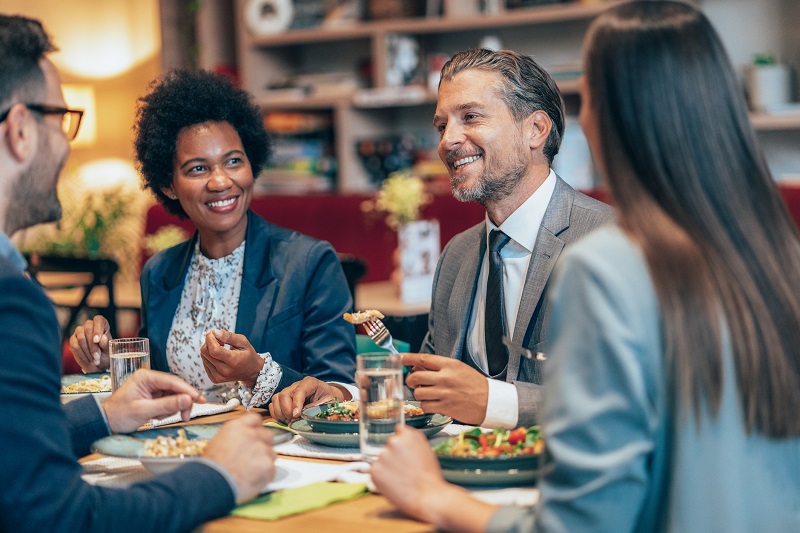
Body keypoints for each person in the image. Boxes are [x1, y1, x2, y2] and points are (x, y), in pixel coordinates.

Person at [371, 2, 800, 531]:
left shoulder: (608, 260)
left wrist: (430, 496)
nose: (447, 139)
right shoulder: (776, 252)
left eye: (588, 96)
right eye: (441, 123)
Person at [0, 14, 277, 531]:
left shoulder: (304, 257)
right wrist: (219, 477)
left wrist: (105, 413)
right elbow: (59, 517)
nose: (64, 144)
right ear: (19, 129)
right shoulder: (11, 300)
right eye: (60, 119)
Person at [270, 48, 614, 426]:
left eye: (470, 117)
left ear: (535, 130)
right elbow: (425, 390)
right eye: (441, 125)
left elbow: (622, 400)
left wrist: (490, 401)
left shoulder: (609, 243)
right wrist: (341, 396)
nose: (447, 141)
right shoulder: (458, 254)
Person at [69, 69, 357, 408]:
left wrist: (259, 373)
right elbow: (157, 386)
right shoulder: (159, 272)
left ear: (252, 164)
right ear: (168, 185)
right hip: (182, 449)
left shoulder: (309, 263)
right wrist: (108, 360)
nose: (221, 181)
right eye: (198, 168)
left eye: (233, 161)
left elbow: (340, 391)